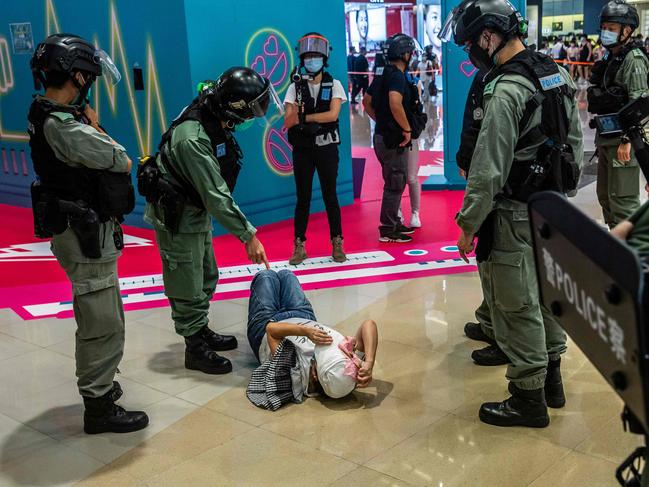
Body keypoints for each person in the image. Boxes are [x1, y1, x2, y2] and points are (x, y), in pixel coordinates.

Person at [442, 0, 584, 427]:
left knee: (517, 303)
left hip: (515, 213)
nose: (472, 51)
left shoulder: (505, 88)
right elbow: (576, 142)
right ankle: (552, 378)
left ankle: (527, 397)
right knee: (548, 296)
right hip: (553, 207)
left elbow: (488, 168)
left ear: (489, 36)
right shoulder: (553, 72)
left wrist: (467, 225)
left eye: (472, 43)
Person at [27, 34, 148, 434]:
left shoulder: (47, 113)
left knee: (103, 312)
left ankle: (102, 387)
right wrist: (94, 126)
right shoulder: (64, 125)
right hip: (83, 234)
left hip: (83, 229)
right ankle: (97, 406)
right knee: (101, 322)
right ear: (77, 75)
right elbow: (120, 159)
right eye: (88, 77)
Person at [143, 67, 276, 375]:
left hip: (194, 208)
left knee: (205, 274)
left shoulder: (214, 114)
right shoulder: (192, 139)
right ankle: (194, 347)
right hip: (177, 216)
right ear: (234, 107)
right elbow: (216, 195)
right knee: (186, 281)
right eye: (252, 110)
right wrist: (248, 236)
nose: (253, 117)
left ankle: (200, 329)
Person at [245, 269, 378, 410]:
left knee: (266, 276)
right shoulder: (346, 376)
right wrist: (369, 364)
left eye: (315, 357)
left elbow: (272, 330)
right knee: (287, 275)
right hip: (303, 316)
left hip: (266, 324)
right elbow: (368, 325)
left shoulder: (294, 374)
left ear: (314, 374)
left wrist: (306, 332)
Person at [284, 33, 347, 265]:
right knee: (303, 197)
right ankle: (299, 244)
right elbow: (288, 120)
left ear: (324, 58)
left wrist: (303, 116)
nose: (312, 59)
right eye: (308, 56)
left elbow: (333, 114)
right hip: (303, 150)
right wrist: (303, 118)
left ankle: (337, 242)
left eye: (316, 56)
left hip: (327, 148)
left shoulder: (335, 84)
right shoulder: (295, 87)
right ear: (302, 58)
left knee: (331, 195)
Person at [587, 0, 649, 228]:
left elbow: (640, 104)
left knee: (623, 203)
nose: (606, 32)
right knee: (606, 198)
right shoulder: (610, 58)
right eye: (604, 27)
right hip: (606, 137)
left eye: (612, 28)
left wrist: (626, 140)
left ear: (627, 30)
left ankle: (635, 257)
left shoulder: (634, 59)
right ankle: (618, 251)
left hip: (624, 141)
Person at [363, 33, 427, 243]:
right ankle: (388, 228)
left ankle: (394, 222)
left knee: (394, 181)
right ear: (405, 54)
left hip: (382, 136)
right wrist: (406, 129)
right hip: (393, 141)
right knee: (395, 183)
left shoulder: (382, 74)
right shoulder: (398, 77)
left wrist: (381, 120)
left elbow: (366, 101)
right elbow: (394, 102)